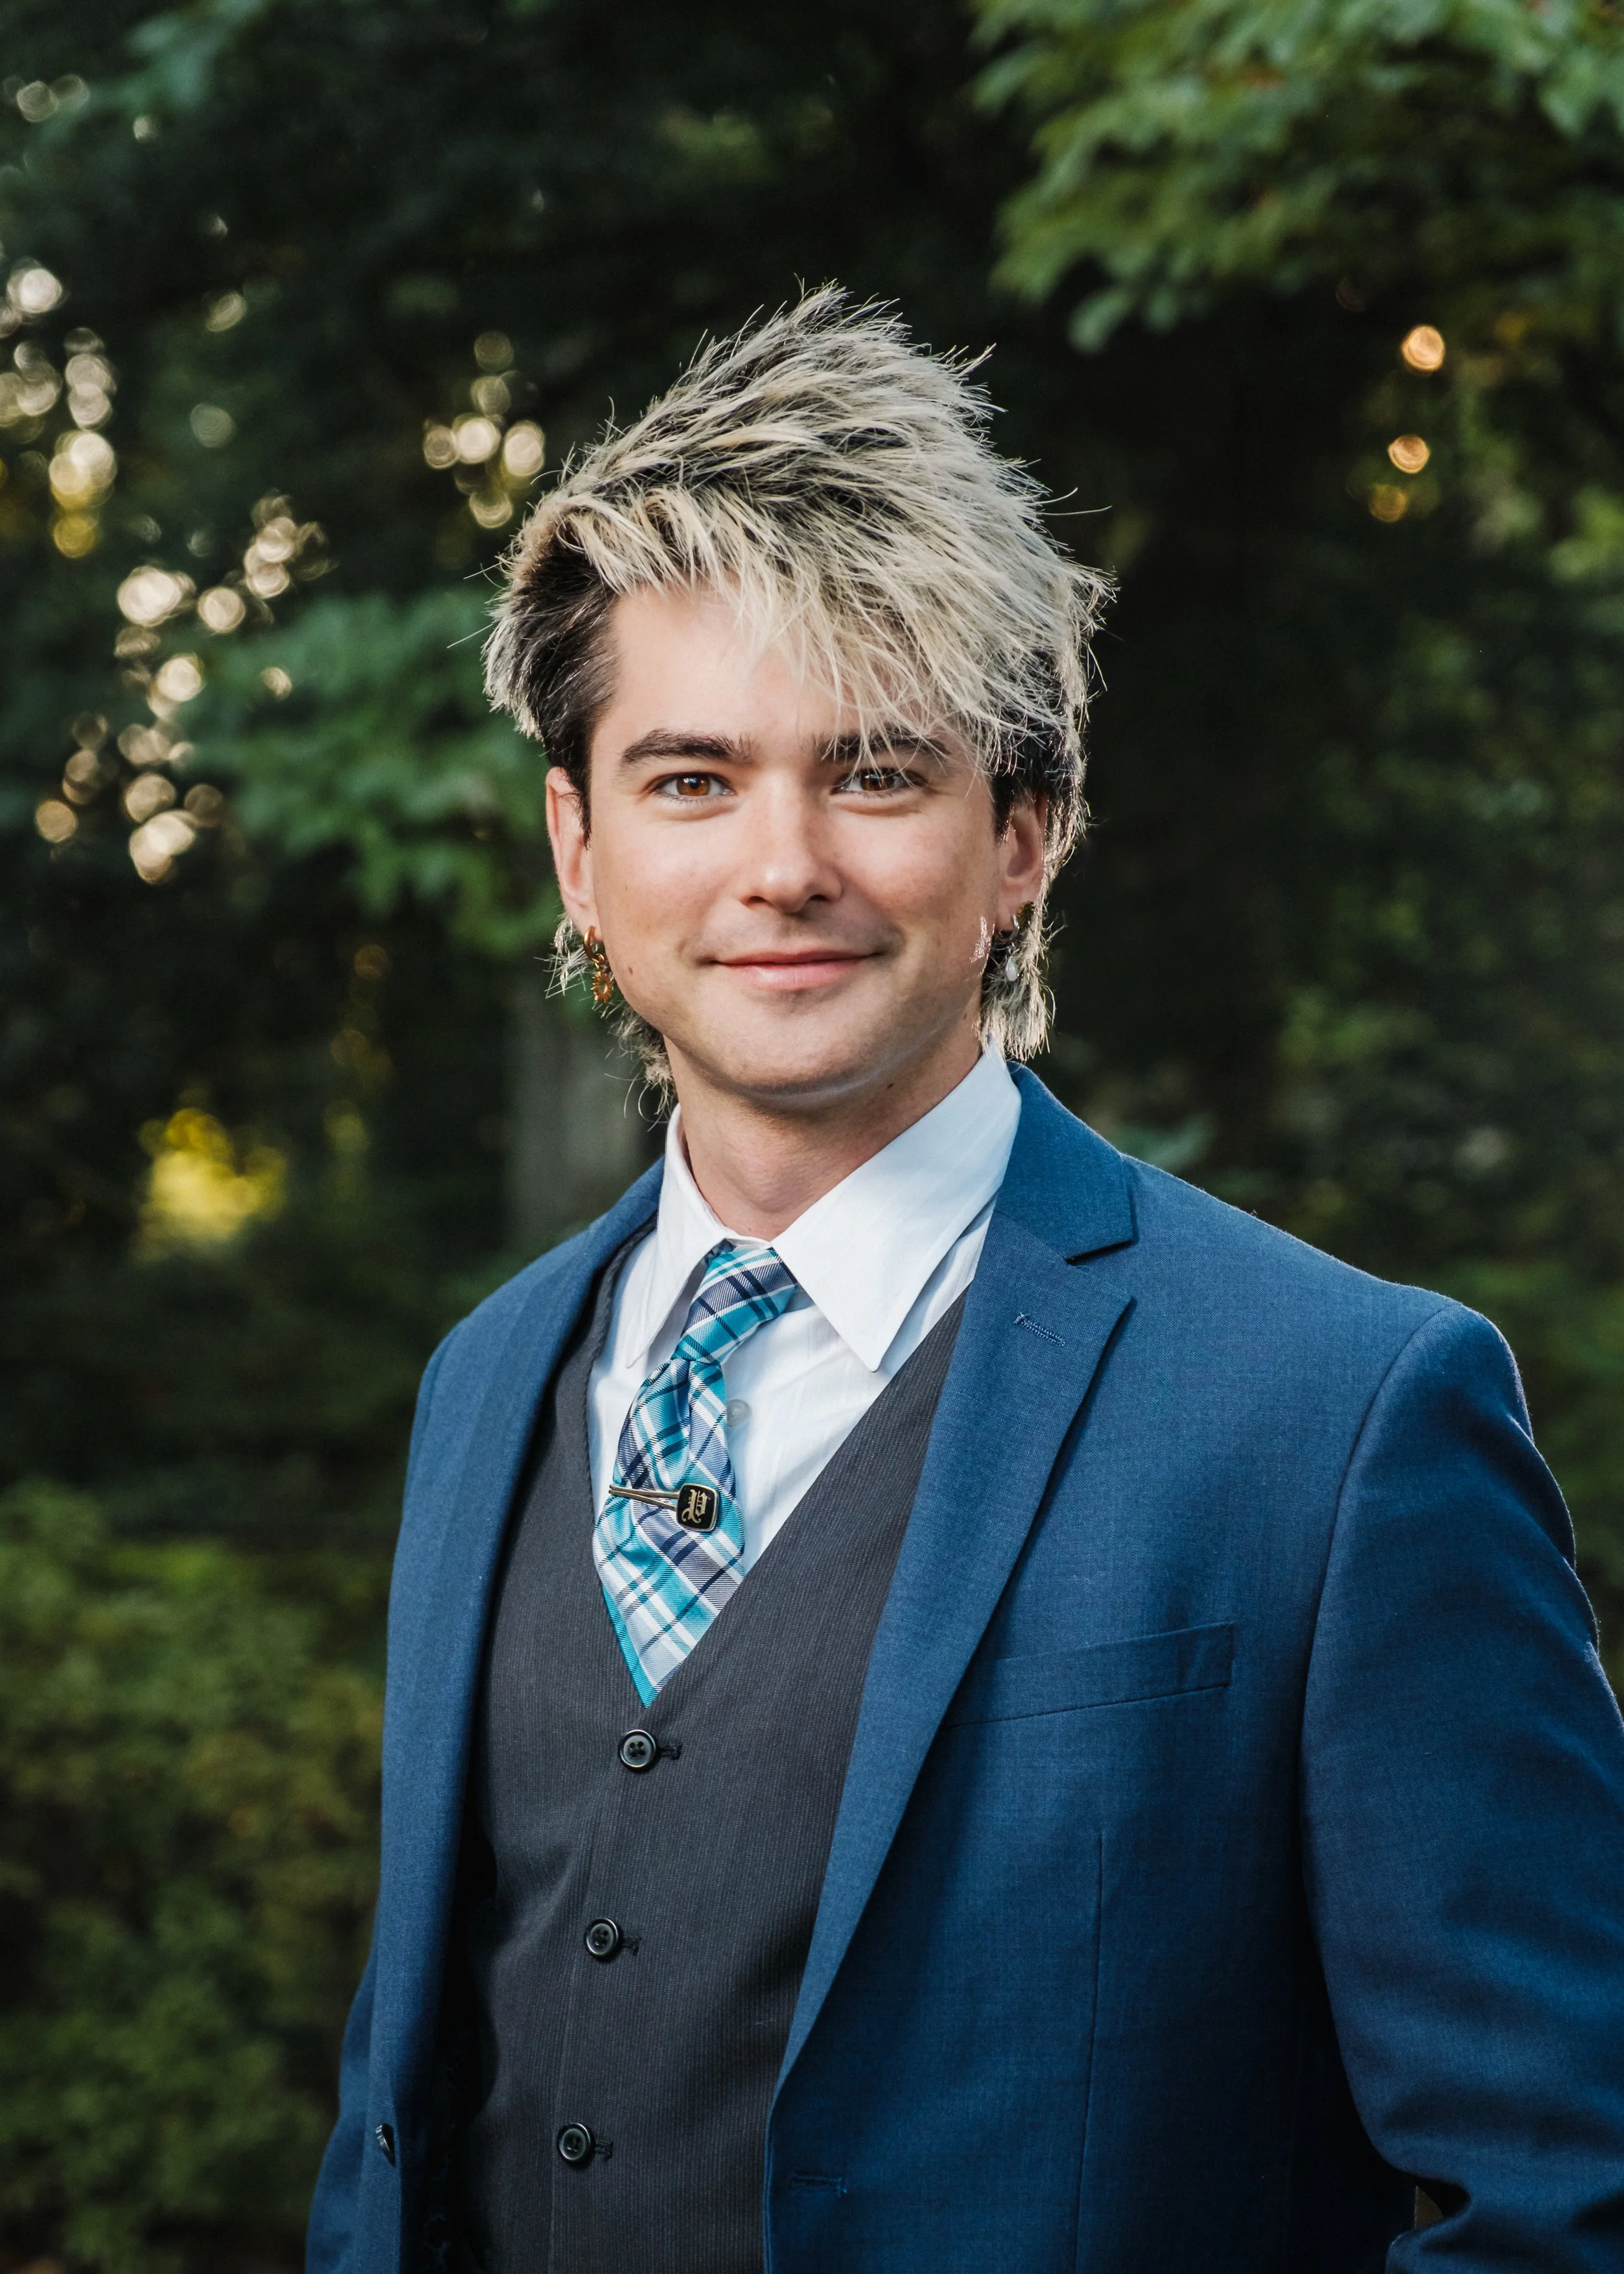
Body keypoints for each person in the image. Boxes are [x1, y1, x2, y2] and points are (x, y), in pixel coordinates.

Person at [307, 290, 1624, 2274]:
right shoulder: (486, 1376)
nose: (782, 864)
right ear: (576, 845)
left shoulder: (1342, 1413)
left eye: (872, 772)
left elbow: (1565, 2191)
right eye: (688, 779)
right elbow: (404, 2110)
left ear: (1022, 835)